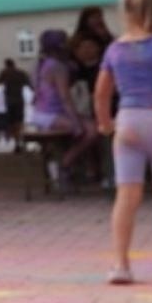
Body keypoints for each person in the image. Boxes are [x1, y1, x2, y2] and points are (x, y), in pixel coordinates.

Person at [94, 0, 152, 284]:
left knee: (126, 195)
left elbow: (102, 93)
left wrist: (104, 123)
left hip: (127, 122)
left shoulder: (114, 49)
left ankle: (120, 265)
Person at [28, 29, 98, 192]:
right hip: (50, 115)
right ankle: (62, 165)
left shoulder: (42, 64)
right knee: (91, 131)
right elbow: (65, 97)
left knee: (87, 127)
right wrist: (76, 121)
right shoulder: (58, 67)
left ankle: (63, 166)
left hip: (42, 113)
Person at [0, 58, 31, 150]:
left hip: (9, 101)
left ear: (6, 65)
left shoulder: (4, 73)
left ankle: (17, 142)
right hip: (19, 100)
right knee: (19, 121)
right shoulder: (20, 73)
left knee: (12, 123)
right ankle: (22, 140)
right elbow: (28, 84)